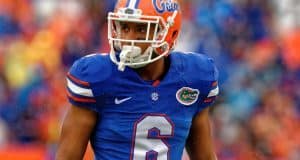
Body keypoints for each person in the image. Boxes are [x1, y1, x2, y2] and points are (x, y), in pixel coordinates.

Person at [56, 0, 219, 160]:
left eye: (141, 29)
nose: (129, 38)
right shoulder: (97, 77)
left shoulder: (194, 78)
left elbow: (204, 156)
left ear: (169, 32)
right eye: (125, 27)